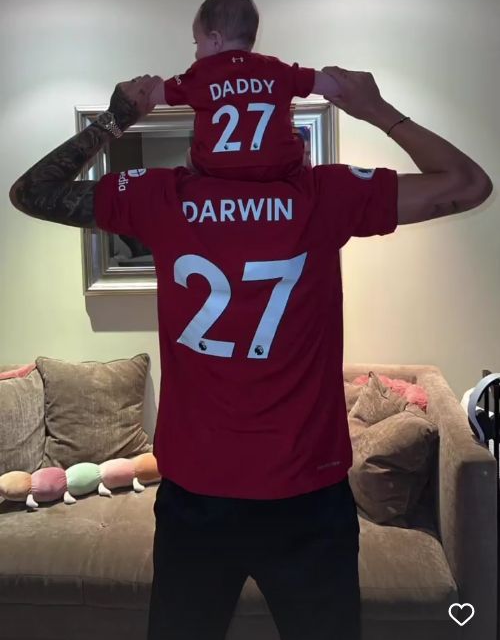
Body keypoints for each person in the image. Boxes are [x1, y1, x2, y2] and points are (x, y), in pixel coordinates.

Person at [9, 69, 492, 640]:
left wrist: (116, 119)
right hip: (306, 494)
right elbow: (467, 183)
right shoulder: (324, 194)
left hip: (198, 495)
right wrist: (376, 109)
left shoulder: (163, 197)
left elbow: (32, 192)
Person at [150, 0, 341, 180]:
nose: (196, 53)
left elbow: (153, 94)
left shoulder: (201, 75)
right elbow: (333, 86)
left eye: (196, 43)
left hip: (217, 166)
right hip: (277, 165)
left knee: (191, 156)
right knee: (301, 158)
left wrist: (145, 89)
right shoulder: (277, 70)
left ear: (216, 40)